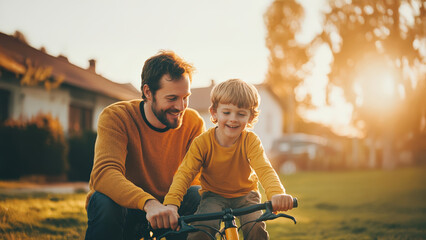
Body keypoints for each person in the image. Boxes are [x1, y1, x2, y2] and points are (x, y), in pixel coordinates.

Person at [84, 50, 205, 240]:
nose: (181, 107)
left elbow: (198, 177)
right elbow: (105, 174)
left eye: (185, 97)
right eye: (172, 98)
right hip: (127, 208)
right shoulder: (116, 117)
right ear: (148, 92)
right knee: (103, 199)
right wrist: (148, 203)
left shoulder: (193, 123)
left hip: (171, 208)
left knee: (199, 194)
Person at [163, 79, 294, 240]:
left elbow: (264, 169)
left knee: (255, 227)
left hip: (246, 195)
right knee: (202, 229)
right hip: (213, 196)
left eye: (241, 114)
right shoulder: (202, 142)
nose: (233, 119)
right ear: (214, 113)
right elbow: (185, 174)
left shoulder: (250, 141)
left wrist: (277, 194)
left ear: (250, 117)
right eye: (226, 112)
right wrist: (171, 204)